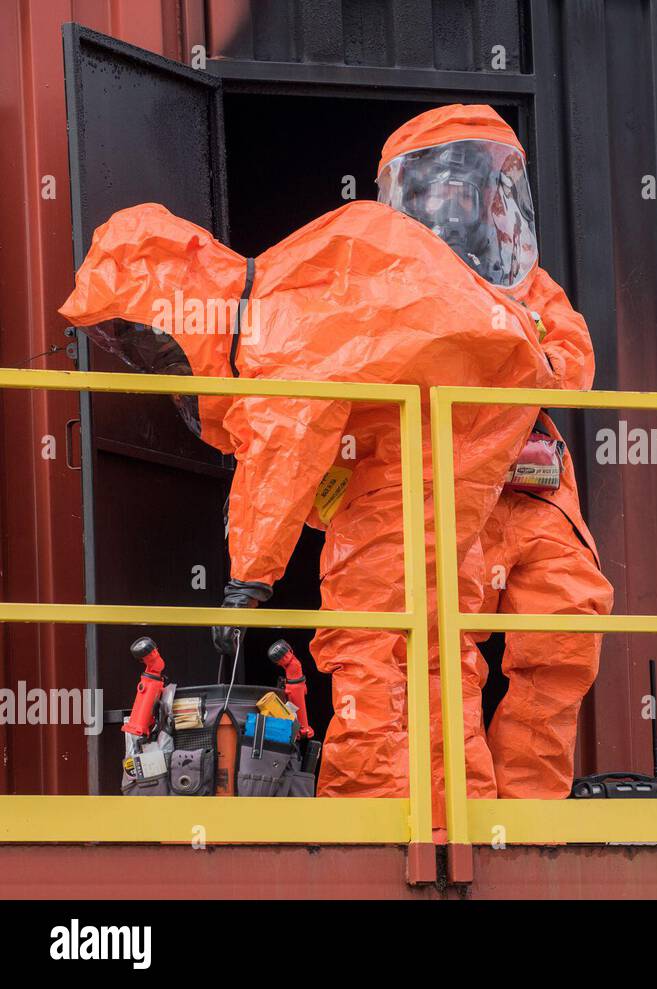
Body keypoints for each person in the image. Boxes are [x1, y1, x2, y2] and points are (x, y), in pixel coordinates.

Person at [59, 157, 559, 817]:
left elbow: (288, 440)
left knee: (369, 618)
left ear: (178, 299)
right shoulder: (284, 295)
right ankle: (451, 807)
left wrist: (248, 579)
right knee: (427, 626)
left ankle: (373, 811)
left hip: (453, 413)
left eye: (137, 332)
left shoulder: (272, 325)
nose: (145, 353)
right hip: (453, 407)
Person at [377, 104, 614, 799]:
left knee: (565, 633)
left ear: (493, 193)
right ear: (408, 195)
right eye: (436, 183)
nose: (452, 198)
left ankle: (529, 812)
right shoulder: (386, 287)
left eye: (466, 182)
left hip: (532, 492)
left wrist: (505, 333)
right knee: (441, 649)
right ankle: (464, 816)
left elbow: (572, 362)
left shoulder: (527, 284)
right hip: (444, 495)